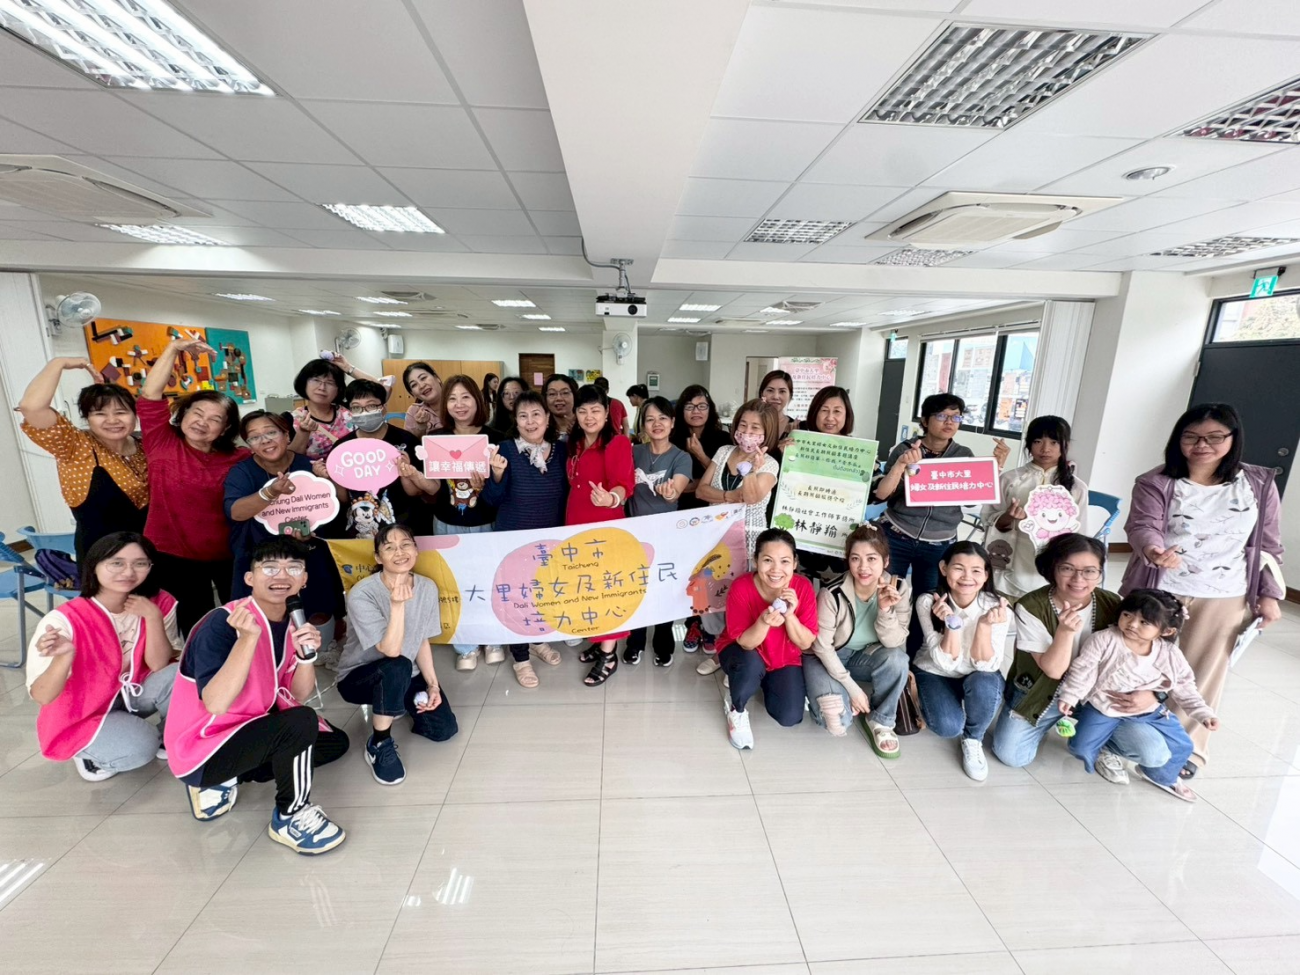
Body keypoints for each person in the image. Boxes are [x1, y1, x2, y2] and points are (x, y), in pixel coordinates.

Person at [1121, 403, 1284, 780]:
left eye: (1214, 437)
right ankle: (1126, 734)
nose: (1201, 445)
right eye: (1191, 437)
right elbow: (1142, 524)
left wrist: (1270, 595)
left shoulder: (1258, 483)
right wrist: (1153, 550)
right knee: (1139, 664)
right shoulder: (1157, 481)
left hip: (1225, 593)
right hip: (1161, 590)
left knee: (1202, 674)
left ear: (1233, 439)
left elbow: (1269, 545)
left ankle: (1187, 751)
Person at [165, 537, 350, 855]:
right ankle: (290, 816)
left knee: (334, 743)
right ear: (250, 578)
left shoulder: (292, 622)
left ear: (304, 579)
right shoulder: (221, 625)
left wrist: (306, 657)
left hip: (251, 723)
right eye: (270, 567)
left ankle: (233, 775)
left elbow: (298, 694)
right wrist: (247, 640)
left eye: (293, 568)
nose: (282, 576)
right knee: (301, 724)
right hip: (205, 744)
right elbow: (216, 703)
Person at [991, 534, 1175, 780]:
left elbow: (1159, 654)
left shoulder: (1115, 605)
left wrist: (1155, 693)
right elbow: (1053, 670)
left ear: (1100, 573)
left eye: (1089, 571)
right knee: (1012, 756)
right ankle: (1064, 726)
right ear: (1052, 569)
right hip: (1045, 693)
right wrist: (1065, 632)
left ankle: (1097, 741)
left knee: (1154, 754)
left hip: (1099, 698)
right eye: (1067, 569)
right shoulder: (1031, 606)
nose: (1079, 579)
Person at [27, 532, 180, 782]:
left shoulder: (159, 603)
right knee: (140, 748)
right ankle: (88, 752)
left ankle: (164, 734)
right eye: (116, 563)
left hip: (129, 693)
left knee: (180, 674)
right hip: (83, 710)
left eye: (140, 563)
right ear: (94, 566)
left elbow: (158, 664)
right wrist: (64, 658)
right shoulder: (64, 620)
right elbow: (42, 696)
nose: (128, 572)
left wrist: (153, 617)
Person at [1057, 589, 1219, 802]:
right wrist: (1069, 696)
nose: (1132, 624)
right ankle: (1103, 746)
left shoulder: (1169, 654)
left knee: (1183, 746)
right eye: (1127, 615)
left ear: (1166, 631)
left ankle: (1164, 777)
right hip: (1103, 708)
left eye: (1145, 622)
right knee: (1081, 747)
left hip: (1149, 712)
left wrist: (1203, 713)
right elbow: (1083, 670)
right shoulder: (1104, 639)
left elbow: (1185, 686)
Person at [137, 338, 249, 635]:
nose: (202, 422)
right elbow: (150, 395)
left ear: (225, 429)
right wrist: (173, 349)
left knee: (240, 619)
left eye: (214, 419)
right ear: (183, 413)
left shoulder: (240, 458)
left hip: (229, 553)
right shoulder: (162, 441)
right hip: (173, 555)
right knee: (194, 624)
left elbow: (275, 459)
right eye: (197, 413)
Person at [335, 524, 458, 785]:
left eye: (405, 545)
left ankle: (395, 702)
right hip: (360, 677)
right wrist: (397, 605)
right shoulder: (362, 594)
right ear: (378, 558)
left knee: (444, 730)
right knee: (397, 664)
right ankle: (379, 743)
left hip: (405, 672)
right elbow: (390, 651)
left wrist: (432, 685)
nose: (399, 552)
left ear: (416, 549)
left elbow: (421, 640)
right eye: (389, 548)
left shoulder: (427, 587)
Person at [875, 393, 1008, 597]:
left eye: (956, 417)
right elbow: (885, 494)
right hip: (896, 534)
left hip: (939, 543)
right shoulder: (905, 450)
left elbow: (972, 502)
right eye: (941, 416)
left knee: (929, 600)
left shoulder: (963, 455)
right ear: (925, 421)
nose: (949, 422)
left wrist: (994, 468)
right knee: (886, 593)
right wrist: (904, 466)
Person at [18, 357, 150, 561]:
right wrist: (59, 363)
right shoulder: (75, 446)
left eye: (121, 412)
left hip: (150, 552)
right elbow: (31, 407)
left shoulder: (144, 446)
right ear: (87, 418)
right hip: (102, 560)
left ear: (135, 415)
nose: (112, 420)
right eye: (100, 413)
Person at [224, 411, 343, 630]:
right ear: (250, 446)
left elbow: (330, 508)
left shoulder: (308, 466)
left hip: (308, 554)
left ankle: (322, 643)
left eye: (271, 432)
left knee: (318, 612)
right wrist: (270, 492)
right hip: (259, 555)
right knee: (260, 621)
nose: (265, 440)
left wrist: (310, 535)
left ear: (287, 436)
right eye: (255, 437)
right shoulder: (242, 472)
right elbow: (236, 512)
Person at [482, 390, 568, 686]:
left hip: (549, 540)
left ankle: (538, 640)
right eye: (523, 416)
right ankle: (521, 658)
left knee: (543, 593)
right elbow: (491, 500)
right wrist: (495, 475)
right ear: (515, 421)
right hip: (513, 539)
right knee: (518, 597)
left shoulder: (562, 450)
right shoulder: (504, 450)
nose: (530, 421)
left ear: (547, 418)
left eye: (536, 414)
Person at [805, 524, 911, 757]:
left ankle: (881, 720)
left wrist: (885, 610)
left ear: (885, 561)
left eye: (871, 559)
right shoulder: (831, 592)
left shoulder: (899, 588)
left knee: (897, 659)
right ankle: (826, 690)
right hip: (828, 657)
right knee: (838, 721)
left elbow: (894, 642)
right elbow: (822, 647)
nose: (863, 567)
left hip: (866, 656)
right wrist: (852, 689)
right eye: (855, 559)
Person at [694, 400, 781, 675]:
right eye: (743, 425)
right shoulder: (723, 452)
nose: (747, 432)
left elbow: (752, 498)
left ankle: (743, 660)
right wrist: (730, 496)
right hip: (715, 540)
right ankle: (721, 653)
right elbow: (701, 490)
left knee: (745, 601)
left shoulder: (770, 464)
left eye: (755, 428)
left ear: (766, 433)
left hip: (749, 543)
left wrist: (753, 471)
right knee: (713, 597)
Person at [912, 540, 1010, 781]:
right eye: (958, 568)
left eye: (976, 570)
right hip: (935, 671)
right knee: (947, 726)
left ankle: (973, 739)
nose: (967, 577)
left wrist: (984, 626)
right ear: (944, 568)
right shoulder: (928, 602)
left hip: (977, 673)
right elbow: (945, 663)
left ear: (986, 575)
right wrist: (952, 625)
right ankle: (931, 695)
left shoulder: (997, 607)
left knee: (985, 682)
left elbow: (987, 666)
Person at [427, 375, 502, 671]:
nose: (459, 404)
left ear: (478, 400)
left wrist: (490, 480)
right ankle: (466, 645)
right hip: (447, 523)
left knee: (489, 581)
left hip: (487, 523)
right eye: (452, 398)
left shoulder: (496, 438)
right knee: (454, 584)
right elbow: (432, 488)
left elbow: (503, 488)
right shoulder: (436, 439)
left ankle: (493, 639)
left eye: (466, 397)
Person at [716, 528, 816, 749]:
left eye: (784, 561)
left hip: (783, 658)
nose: (776, 570)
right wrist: (763, 622)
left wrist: (790, 616)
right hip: (743, 652)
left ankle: (757, 681)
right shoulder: (741, 587)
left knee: (790, 716)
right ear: (756, 561)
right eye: (768, 560)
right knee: (750, 665)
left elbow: (805, 643)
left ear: (795, 563)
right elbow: (745, 643)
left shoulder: (802, 587)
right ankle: (737, 708)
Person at [565, 384, 636, 686]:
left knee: (607, 589)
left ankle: (609, 654)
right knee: (588, 587)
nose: (589, 416)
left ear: (607, 413)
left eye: (595, 410)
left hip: (605, 526)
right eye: (582, 411)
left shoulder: (617, 443)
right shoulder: (575, 443)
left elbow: (624, 484)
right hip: (576, 525)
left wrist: (611, 498)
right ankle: (599, 640)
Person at [983, 415, 1088, 601]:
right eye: (1038, 441)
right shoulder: (1010, 479)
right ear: (1029, 444)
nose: (1045, 449)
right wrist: (1007, 517)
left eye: (1054, 442)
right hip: (1009, 570)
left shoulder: (1076, 487)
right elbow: (988, 518)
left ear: (1066, 445)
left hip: (1052, 574)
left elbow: (1080, 533)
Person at [623, 396, 692, 667]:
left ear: (672, 422)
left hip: (666, 537)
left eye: (663, 418)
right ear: (643, 424)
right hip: (635, 534)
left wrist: (669, 492)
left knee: (664, 590)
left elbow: (677, 488)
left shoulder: (681, 457)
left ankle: (663, 643)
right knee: (637, 588)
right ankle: (635, 642)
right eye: (650, 419)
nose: (657, 424)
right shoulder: (633, 452)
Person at [326, 379, 439, 540]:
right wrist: (330, 474)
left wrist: (406, 472)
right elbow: (343, 498)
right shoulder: (341, 448)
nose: (364, 412)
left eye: (371, 406)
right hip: (360, 533)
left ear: (383, 408)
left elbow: (416, 492)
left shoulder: (405, 440)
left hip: (406, 528)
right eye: (356, 407)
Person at [670, 384, 731, 653]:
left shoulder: (723, 439)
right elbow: (671, 482)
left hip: (713, 514)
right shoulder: (673, 436)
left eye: (702, 406)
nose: (696, 411)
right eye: (690, 406)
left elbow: (725, 480)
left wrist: (700, 456)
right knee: (688, 571)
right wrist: (693, 486)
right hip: (682, 513)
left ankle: (709, 626)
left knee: (711, 570)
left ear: (710, 409)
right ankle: (692, 622)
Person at [788, 385, 857, 581]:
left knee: (834, 595)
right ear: (814, 412)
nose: (830, 418)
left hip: (835, 538)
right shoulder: (797, 443)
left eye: (837, 411)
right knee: (799, 593)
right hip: (801, 533)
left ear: (846, 415)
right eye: (824, 410)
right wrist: (786, 456)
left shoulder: (857, 450)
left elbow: (876, 494)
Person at [287, 357, 351, 462]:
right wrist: (303, 432)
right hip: (309, 472)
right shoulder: (290, 419)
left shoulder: (349, 412)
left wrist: (349, 368)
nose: (322, 387)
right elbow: (287, 460)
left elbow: (379, 391)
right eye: (316, 380)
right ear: (304, 383)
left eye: (330, 382)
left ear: (338, 388)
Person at [402, 362, 444, 438]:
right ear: (413, 394)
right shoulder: (414, 411)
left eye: (423, 378)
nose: (421, 386)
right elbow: (409, 443)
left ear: (437, 378)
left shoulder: (457, 403)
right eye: (414, 385)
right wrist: (421, 427)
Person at [759, 369, 797, 440]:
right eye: (770, 390)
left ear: (790, 395)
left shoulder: (796, 427)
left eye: (782, 391)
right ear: (762, 394)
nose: (776, 397)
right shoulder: (749, 422)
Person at [544, 373, 579, 440]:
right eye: (552, 394)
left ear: (574, 395)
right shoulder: (541, 429)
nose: (559, 398)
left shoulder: (585, 425)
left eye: (565, 393)